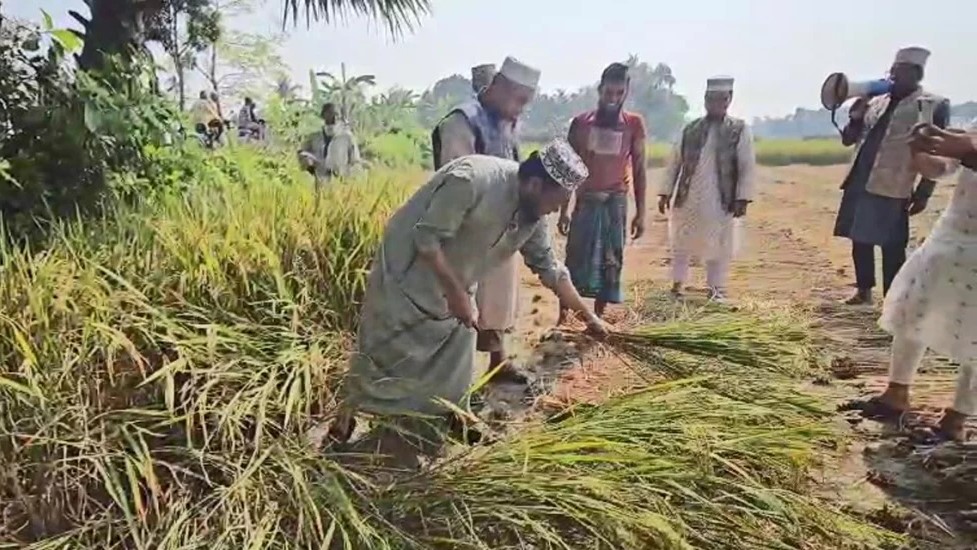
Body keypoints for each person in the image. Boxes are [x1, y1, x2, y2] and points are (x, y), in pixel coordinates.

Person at [341, 140, 607, 465]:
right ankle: (345, 418)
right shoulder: (472, 180)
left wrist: (590, 318)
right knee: (383, 353)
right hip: (407, 271)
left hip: (456, 280)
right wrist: (455, 293)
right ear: (536, 184)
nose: (555, 211)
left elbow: (550, 268)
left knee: (456, 357)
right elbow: (425, 239)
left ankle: (451, 415)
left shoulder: (533, 216)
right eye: (556, 202)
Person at [852, 122, 977, 442]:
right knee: (913, 303)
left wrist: (965, 150)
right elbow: (939, 168)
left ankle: (956, 419)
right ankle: (896, 392)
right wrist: (919, 150)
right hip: (951, 233)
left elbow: (965, 151)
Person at [431, 56, 538, 383]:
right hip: (468, 230)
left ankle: (497, 362)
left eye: (526, 103)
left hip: (500, 225)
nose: (520, 109)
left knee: (498, 298)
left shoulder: (508, 122)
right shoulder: (462, 122)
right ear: (499, 87)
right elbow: (457, 180)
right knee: (462, 306)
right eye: (518, 100)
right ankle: (453, 382)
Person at [833, 46, 951, 305]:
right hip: (860, 179)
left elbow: (935, 151)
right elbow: (849, 139)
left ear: (916, 74)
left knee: (892, 245)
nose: (894, 76)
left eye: (901, 71)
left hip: (895, 183)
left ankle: (893, 299)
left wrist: (923, 192)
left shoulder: (932, 105)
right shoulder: (876, 102)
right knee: (859, 237)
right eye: (893, 70)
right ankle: (864, 290)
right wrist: (854, 117)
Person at [557, 62, 647, 321]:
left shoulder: (633, 125)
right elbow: (569, 168)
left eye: (619, 93)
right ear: (600, 90)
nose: (613, 99)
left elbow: (639, 170)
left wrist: (641, 213)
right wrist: (564, 210)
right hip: (586, 201)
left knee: (611, 260)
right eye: (609, 93)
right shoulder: (581, 124)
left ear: (626, 92)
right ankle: (564, 315)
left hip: (615, 202)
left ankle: (597, 314)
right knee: (574, 258)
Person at [658, 76, 756, 302]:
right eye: (711, 99)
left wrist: (743, 198)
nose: (715, 103)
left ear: (729, 100)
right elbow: (674, 162)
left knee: (719, 243)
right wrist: (665, 192)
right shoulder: (690, 129)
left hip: (720, 198)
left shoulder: (739, 130)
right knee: (681, 242)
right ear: (704, 100)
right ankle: (677, 284)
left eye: (721, 99)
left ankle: (716, 289)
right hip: (689, 196)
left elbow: (746, 166)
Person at [298, 102, 362, 180]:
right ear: (323, 115)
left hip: (341, 183)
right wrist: (309, 165)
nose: (334, 117)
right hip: (320, 182)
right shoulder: (314, 138)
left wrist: (348, 176)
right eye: (330, 113)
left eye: (336, 114)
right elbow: (301, 153)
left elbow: (355, 161)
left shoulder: (347, 137)